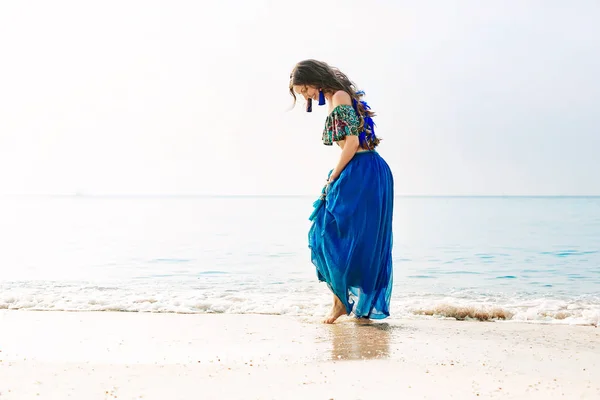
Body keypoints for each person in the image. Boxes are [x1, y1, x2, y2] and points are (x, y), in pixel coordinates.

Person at [289, 59, 395, 324]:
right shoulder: (337, 97)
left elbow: (352, 141)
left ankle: (343, 303)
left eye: (304, 89)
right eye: (301, 93)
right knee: (338, 233)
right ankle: (346, 303)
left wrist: (334, 176)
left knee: (330, 232)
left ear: (314, 78)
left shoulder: (338, 96)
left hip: (362, 170)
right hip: (363, 169)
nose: (305, 96)